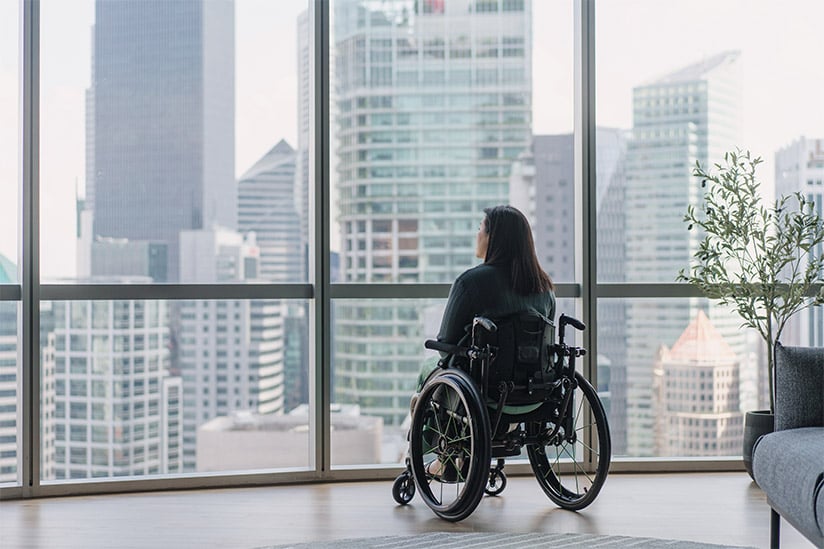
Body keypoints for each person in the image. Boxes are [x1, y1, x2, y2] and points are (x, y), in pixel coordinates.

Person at [415, 204, 556, 390]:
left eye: (480, 228)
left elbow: (445, 347)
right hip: (535, 389)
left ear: (492, 237)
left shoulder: (470, 282)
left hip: (486, 390)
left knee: (429, 367)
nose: (477, 234)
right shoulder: (544, 286)